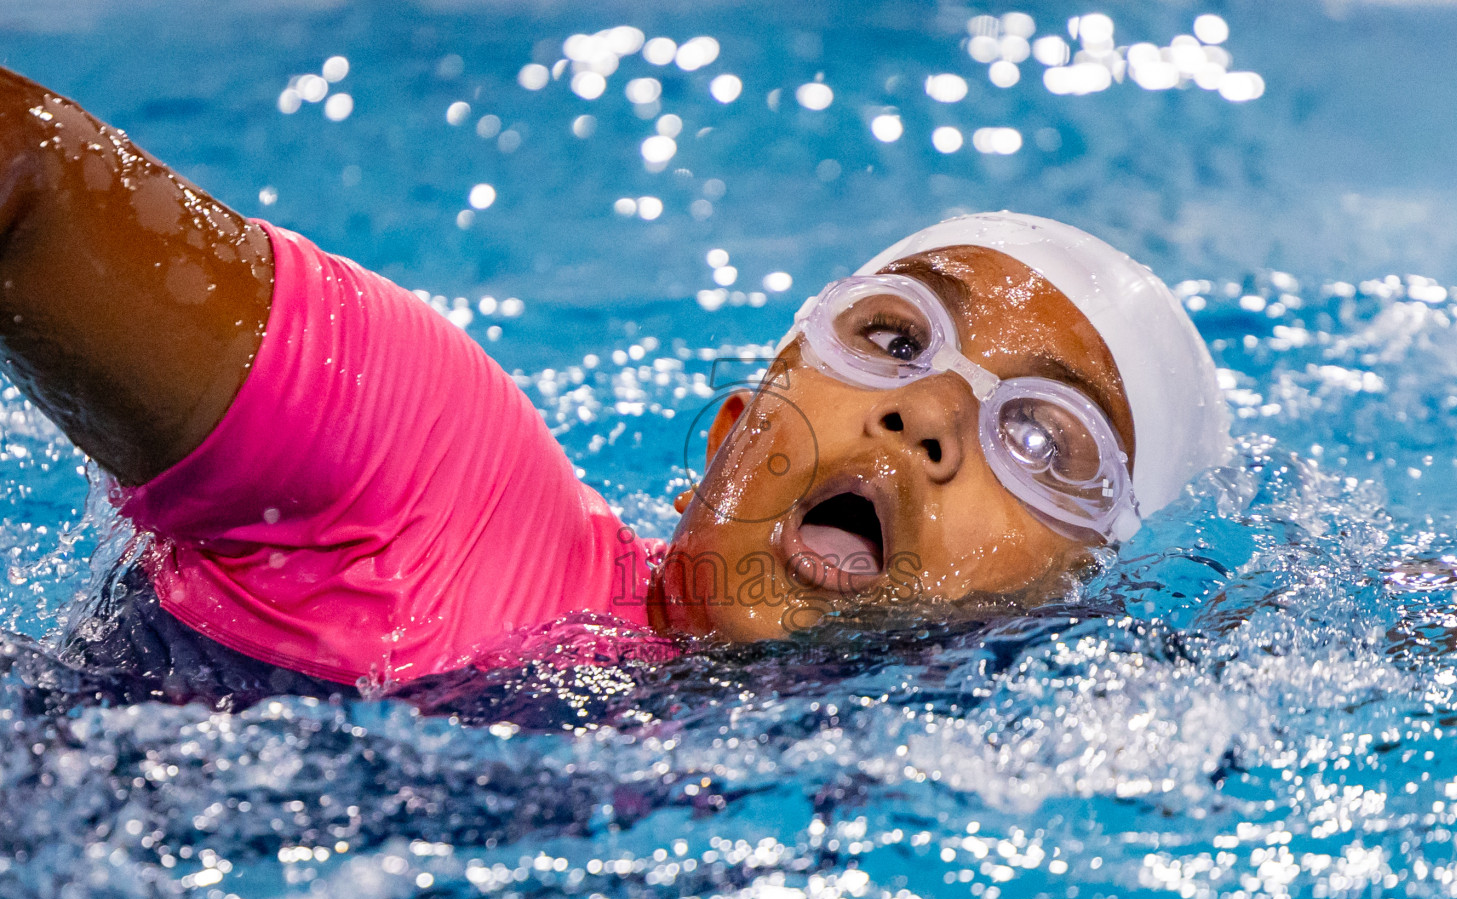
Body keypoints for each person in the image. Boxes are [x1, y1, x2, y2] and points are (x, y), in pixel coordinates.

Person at [0, 66, 1229, 692]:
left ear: (1081, 608)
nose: (928, 416)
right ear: (734, 433)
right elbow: (31, 173)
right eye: (896, 339)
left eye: (1047, 440)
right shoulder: (426, 490)